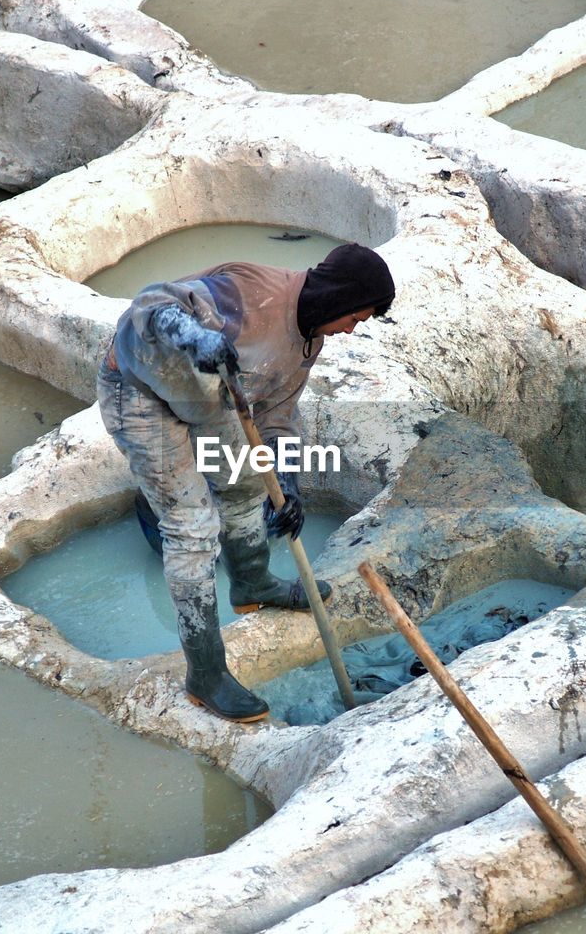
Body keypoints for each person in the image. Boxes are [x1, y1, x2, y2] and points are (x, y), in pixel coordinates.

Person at [97, 243, 395, 722]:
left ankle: (253, 583)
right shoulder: (253, 292)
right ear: (339, 298)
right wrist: (194, 337)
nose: (350, 330)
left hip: (213, 398)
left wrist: (288, 483)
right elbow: (149, 306)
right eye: (355, 318)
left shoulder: (309, 340)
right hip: (142, 393)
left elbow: (276, 415)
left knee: (246, 486)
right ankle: (207, 675)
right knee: (191, 528)